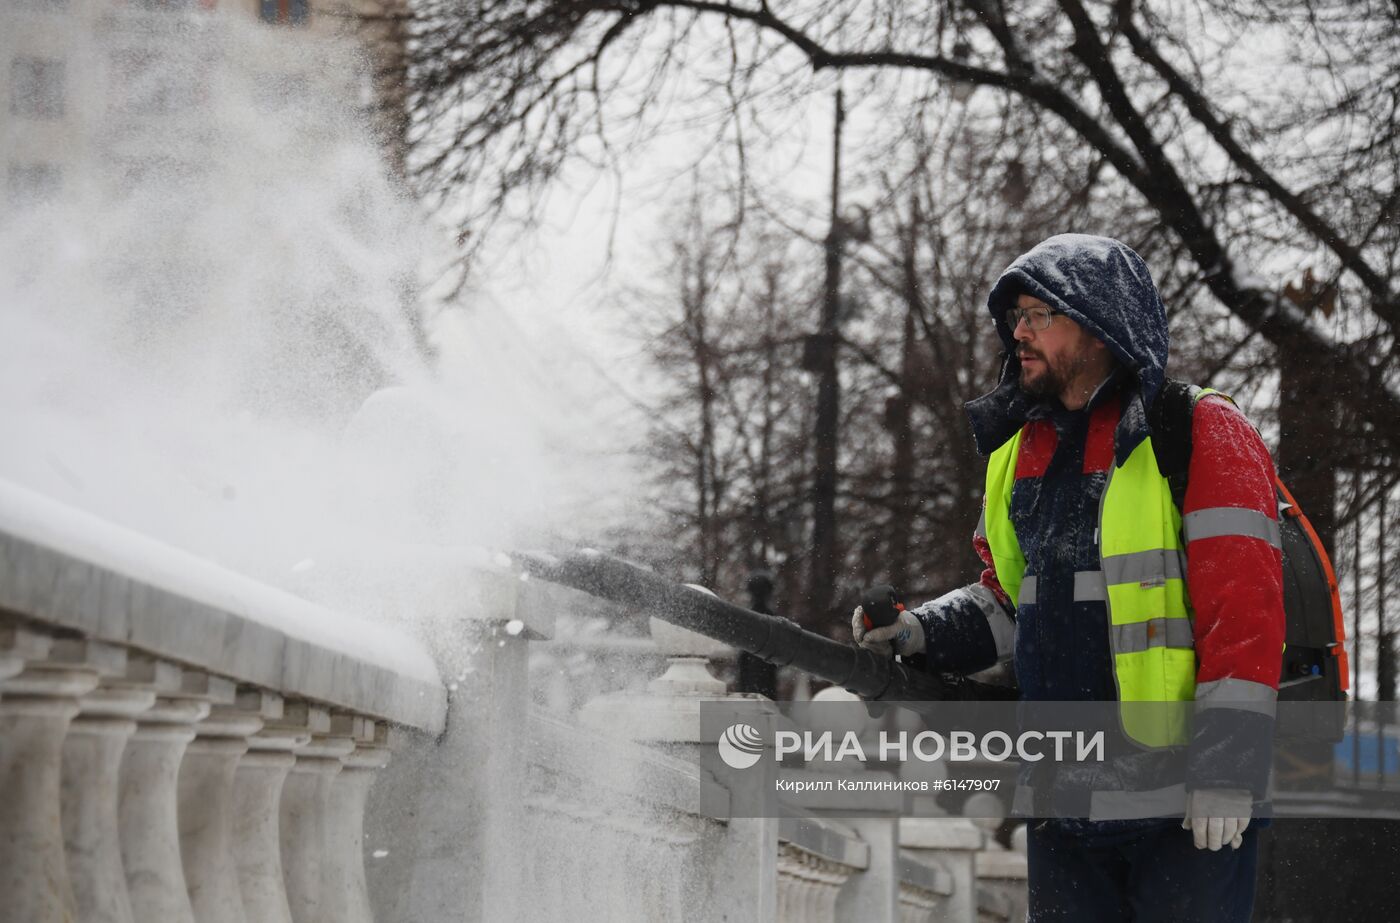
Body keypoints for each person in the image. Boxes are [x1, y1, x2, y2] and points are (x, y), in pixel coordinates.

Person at [852, 234, 1284, 921]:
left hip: (1181, 810)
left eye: (1037, 314)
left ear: (1098, 323)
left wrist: (1228, 768)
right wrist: (919, 630)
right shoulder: (1019, 453)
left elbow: (1246, 615)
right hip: (1063, 807)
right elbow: (1009, 602)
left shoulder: (1200, 430)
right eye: (1015, 315)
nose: (1016, 332)